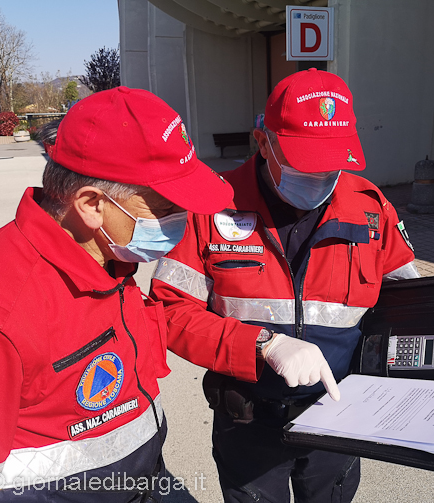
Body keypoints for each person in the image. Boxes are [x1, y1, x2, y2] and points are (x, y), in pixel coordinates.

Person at [0, 87, 233, 502]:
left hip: (146, 483)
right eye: (164, 208)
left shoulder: (108, 262)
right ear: (91, 204)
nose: (182, 221)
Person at [150, 69, 419, 503]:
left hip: (339, 419)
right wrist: (262, 344)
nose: (320, 176)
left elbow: (412, 307)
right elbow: (169, 311)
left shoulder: (371, 208)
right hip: (249, 423)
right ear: (263, 142)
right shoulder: (213, 207)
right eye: (304, 162)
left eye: (333, 162)